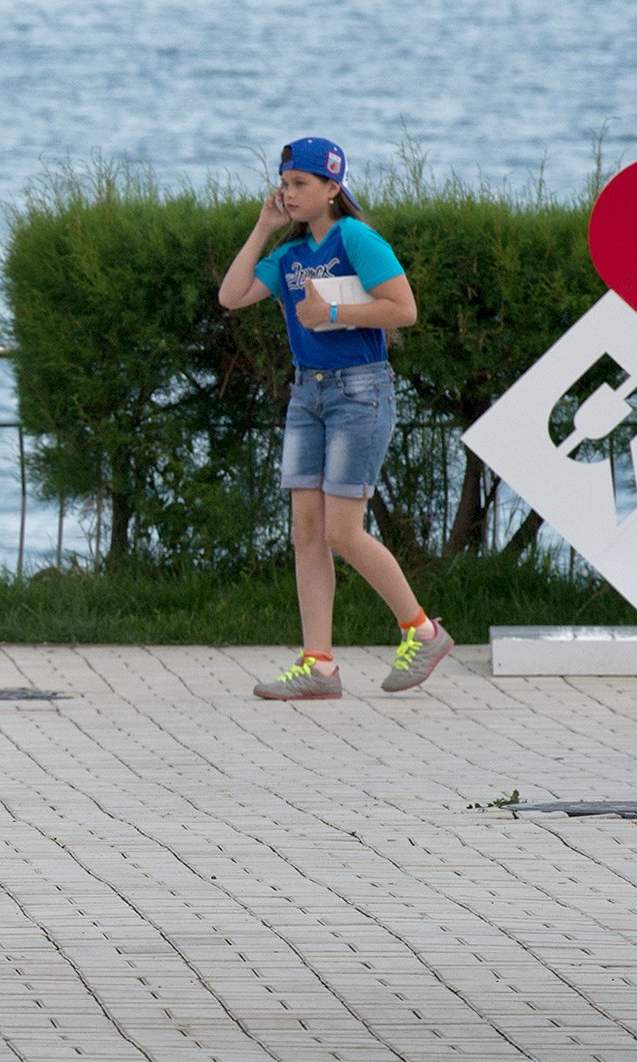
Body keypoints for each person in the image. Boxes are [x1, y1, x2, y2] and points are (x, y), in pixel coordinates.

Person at [216, 137, 451, 701]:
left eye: (301, 184)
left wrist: (335, 312)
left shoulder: (356, 238)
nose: (289, 193)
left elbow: (405, 308)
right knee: (306, 533)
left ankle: (423, 630)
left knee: (342, 531)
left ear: (332, 188)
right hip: (307, 396)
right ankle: (319, 666)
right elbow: (232, 295)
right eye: (285, 182)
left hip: (359, 393)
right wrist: (262, 228)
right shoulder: (291, 255)